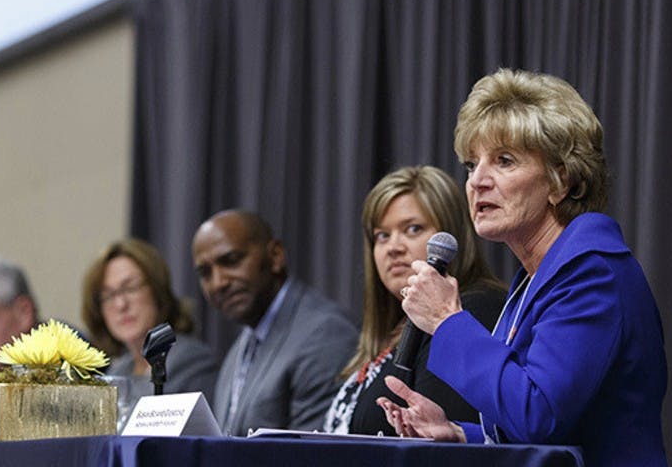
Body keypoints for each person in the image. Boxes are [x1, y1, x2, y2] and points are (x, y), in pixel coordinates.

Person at [377, 69, 672, 467]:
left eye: (504, 161)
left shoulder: (591, 270)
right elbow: (548, 422)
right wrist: (459, 433)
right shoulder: (536, 277)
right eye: (472, 165)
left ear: (563, 180)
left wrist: (451, 322)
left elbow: (539, 411)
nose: (476, 181)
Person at [323, 166, 504, 435]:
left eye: (413, 229)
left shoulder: (470, 309)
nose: (393, 247)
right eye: (382, 235)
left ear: (451, 236)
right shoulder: (390, 328)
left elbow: (442, 442)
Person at [191, 209, 357, 436]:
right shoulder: (241, 346)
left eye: (231, 261)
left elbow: (312, 456)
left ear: (276, 256)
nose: (218, 282)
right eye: (205, 272)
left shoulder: (325, 335)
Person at [81, 238, 218, 401]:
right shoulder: (118, 370)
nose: (120, 304)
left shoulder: (190, 361)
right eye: (108, 295)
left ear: (157, 290)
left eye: (130, 288)